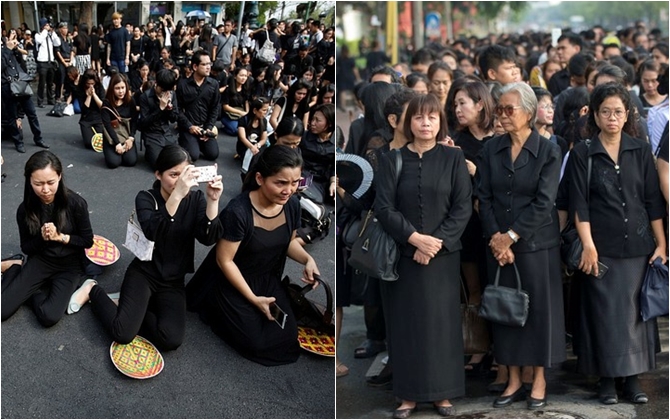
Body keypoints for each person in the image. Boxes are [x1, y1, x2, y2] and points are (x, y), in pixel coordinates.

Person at [566, 83, 666, 405]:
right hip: (601, 246)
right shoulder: (583, 152)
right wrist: (588, 245)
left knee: (635, 317)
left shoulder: (639, 149)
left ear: (627, 115)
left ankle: (633, 380)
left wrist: (662, 244)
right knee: (604, 317)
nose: (612, 117)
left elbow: (652, 200)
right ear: (595, 114)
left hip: (638, 245)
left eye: (618, 112)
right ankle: (607, 381)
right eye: (605, 111)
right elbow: (578, 202)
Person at [375, 94, 472, 418]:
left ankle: (443, 395)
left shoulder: (453, 158)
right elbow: (384, 207)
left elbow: (462, 206)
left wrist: (436, 244)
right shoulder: (390, 159)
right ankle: (407, 395)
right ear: (408, 123)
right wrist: (414, 239)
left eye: (432, 117)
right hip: (403, 256)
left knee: (442, 326)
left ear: (440, 122)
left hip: (443, 259)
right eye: (418, 118)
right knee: (406, 325)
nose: (425, 123)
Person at [71, 145, 223, 350]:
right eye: (173, 174)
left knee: (171, 340)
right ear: (158, 174)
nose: (179, 180)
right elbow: (154, 231)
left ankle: (131, 307)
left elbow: (208, 238)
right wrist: (177, 195)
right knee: (122, 333)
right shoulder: (146, 198)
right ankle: (93, 290)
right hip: (145, 272)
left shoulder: (195, 199)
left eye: (183, 173)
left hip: (173, 280)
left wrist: (213, 201)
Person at [186, 145, 320, 366]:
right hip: (230, 280)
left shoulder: (292, 205)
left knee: (287, 334)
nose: (289, 190)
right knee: (256, 343)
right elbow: (224, 260)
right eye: (281, 183)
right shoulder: (238, 211)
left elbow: (287, 242)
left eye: (295, 182)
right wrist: (253, 299)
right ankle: (213, 306)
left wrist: (308, 259)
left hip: (266, 277)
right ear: (260, 178)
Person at [476, 82, 566, 410]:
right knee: (504, 312)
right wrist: (496, 239)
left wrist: (511, 236)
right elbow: (483, 197)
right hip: (498, 245)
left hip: (536, 244)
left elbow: (545, 202)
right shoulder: (491, 149)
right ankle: (512, 378)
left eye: (508, 109)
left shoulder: (548, 150)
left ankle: (538, 379)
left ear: (528, 113)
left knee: (538, 314)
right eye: (498, 108)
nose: (501, 115)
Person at [1, 151, 94, 326]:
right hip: (42, 260)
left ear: (59, 176)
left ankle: (29, 290)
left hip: (70, 264)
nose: (45, 190)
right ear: (29, 181)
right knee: (2, 310)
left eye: (51, 182)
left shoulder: (76, 203)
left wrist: (61, 237)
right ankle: (14, 268)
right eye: (38, 184)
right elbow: (26, 248)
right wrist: (43, 239)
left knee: (49, 317)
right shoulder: (25, 210)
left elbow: (87, 241)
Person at [450, 80, 496, 373]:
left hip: (495, 226)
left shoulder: (500, 139)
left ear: (480, 104)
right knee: (473, 287)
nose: (457, 110)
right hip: (467, 226)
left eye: (462, 103)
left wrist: (475, 170)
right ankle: (478, 346)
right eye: (454, 104)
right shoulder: (456, 141)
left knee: (498, 286)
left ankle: (501, 349)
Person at [2, 38, 48, 153]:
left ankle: (38, 138)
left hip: (20, 82)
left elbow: (21, 63)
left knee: (31, 113)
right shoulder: (5, 49)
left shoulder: (9, 47)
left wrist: (16, 48)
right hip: (7, 86)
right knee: (11, 116)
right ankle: (18, 142)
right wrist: (7, 49)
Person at [176, 51, 220, 162]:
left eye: (209, 64)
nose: (208, 67)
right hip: (189, 127)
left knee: (213, 154)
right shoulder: (182, 84)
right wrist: (189, 126)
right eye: (204, 64)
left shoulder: (213, 84)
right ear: (195, 66)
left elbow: (215, 108)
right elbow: (177, 110)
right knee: (193, 156)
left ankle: (196, 143)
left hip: (205, 127)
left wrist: (209, 128)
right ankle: (187, 142)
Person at [139, 68, 180, 169]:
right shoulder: (145, 96)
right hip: (151, 134)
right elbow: (143, 123)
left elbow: (174, 118)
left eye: (168, 90)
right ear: (157, 84)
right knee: (158, 165)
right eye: (163, 90)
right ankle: (150, 152)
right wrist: (160, 108)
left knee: (179, 159)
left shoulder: (171, 94)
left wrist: (169, 108)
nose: (166, 93)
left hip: (166, 133)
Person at [299, 103, 336, 205]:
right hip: (303, 176)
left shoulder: (336, 142)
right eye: (312, 119)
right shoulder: (304, 137)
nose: (312, 123)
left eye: (317, 120)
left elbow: (335, 166)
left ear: (329, 124)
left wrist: (333, 183)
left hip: (321, 181)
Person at [101, 73, 138, 168]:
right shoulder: (107, 103)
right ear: (112, 89)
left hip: (126, 135)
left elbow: (134, 120)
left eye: (123, 88)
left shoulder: (130, 101)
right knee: (114, 163)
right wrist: (117, 144)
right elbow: (107, 125)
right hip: (112, 136)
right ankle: (110, 150)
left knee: (131, 161)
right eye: (117, 88)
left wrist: (131, 138)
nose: (121, 91)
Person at [73, 69, 104, 150]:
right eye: (88, 84)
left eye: (92, 84)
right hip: (86, 118)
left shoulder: (100, 87)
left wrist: (94, 95)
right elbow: (84, 109)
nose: (90, 86)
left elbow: (102, 106)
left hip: (98, 117)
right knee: (89, 143)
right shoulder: (80, 89)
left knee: (103, 140)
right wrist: (89, 96)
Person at [34, 18, 60, 107]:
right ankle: (40, 101)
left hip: (50, 62)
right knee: (42, 82)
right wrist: (45, 30)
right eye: (46, 25)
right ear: (42, 26)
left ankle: (50, 99)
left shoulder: (50, 36)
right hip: (42, 62)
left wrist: (53, 33)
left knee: (50, 82)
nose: (48, 27)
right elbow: (40, 40)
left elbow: (58, 43)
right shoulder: (38, 35)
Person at [220, 67, 250, 136]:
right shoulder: (228, 89)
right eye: (241, 75)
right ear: (235, 76)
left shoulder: (245, 89)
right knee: (236, 131)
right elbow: (225, 107)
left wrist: (246, 112)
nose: (244, 78)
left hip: (241, 114)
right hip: (228, 115)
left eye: (245, 76)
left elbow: (246, 102)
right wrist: (240, 112)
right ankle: (224, 128)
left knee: (247, 129)